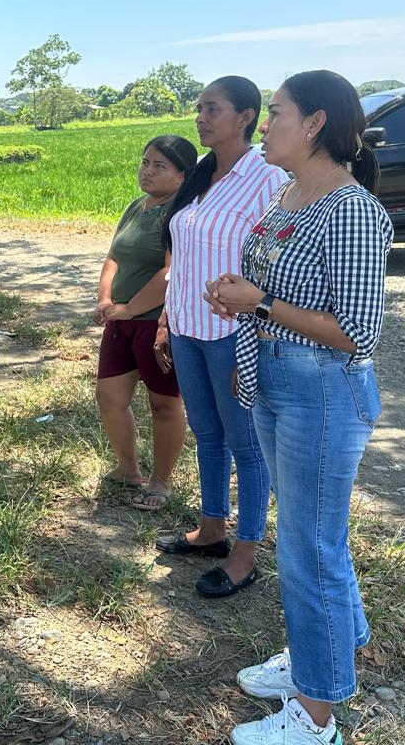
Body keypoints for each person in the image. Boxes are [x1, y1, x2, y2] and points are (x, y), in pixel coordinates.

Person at [204, 69, 392, 745]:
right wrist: (242, 299)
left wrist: (257, 303)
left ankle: (316, 718)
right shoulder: (287, 193)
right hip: (278, 379)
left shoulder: (351, 210)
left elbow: (358, 332)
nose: (265, 124)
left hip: (322, 389)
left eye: (277, 112)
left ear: (314, 124)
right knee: (312, 538)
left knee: (309, 549)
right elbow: (275, 287)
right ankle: (328, 652)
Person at [152, 77, 288, 598]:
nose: (200, 117)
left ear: (246, 116)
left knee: (246, 444)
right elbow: (182, 259)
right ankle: (211, 528)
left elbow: (273, 265)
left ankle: (245, 552)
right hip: (188, 327)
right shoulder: (201, 175)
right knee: (207, 434)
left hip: (234, 333)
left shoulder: (267, 178)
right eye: (199, 108)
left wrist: (255, 343)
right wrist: (167, 320)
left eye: (213, 109)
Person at [94, 136, 193, 510]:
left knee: (163, 403)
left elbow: (171, 272)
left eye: (159, 165)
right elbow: (113, 257)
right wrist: (106, 300)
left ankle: (160, 482)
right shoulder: (137, 207)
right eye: (145, 162)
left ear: (182, 176)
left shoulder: (179, 214)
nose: (147, 171)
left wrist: (132, 308)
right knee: (109, 397)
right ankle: (127, 468)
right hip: (121, 321)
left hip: (156, 324)